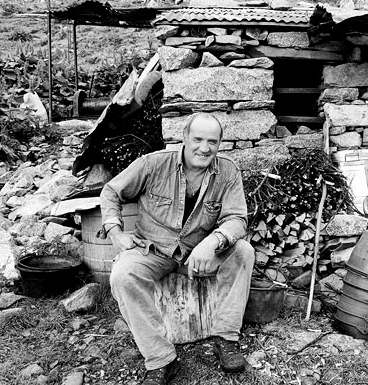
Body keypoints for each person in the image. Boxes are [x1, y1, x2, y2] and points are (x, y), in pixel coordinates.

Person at [100, 112, 255, 385]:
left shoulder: (227, 171)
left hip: (198, 256)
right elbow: (111, 191)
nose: (204, 148)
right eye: (197, 139)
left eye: (212, 141)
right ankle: (161, 358)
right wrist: (116, 233)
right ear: (184, 138)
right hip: (152, 251)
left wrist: (213, 242)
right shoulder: (153, 164)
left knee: (243, 251)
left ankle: (226, 337)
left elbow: (237, 219)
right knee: (123, 274)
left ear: (220, 144)